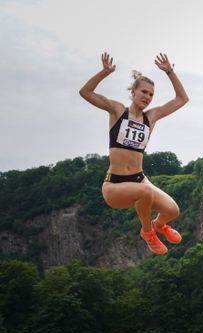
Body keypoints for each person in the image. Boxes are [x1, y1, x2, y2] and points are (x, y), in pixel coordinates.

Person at [79, 52, 189, 254]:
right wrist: (104, 72)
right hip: (114, 186)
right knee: (145, 192)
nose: (147, 97)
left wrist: (170, 72)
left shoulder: (151, 117)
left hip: (139, 179)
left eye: (151, 95)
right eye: (144, 92)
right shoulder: (117, 111)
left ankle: (158, 225)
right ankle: (148, 233)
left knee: (172, 210)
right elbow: (85, 92)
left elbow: (182, 99)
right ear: (133, 92)